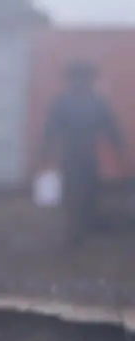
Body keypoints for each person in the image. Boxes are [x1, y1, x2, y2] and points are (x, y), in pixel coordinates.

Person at [40, 61, 125, 245]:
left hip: (88, 153)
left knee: (90, 190)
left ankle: (87, 225)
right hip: (70, 153)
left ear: (90, 80)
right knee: (72, 192)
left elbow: (111, 126)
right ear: (71, 80)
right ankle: (74, 231)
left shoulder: (97, 102)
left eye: (85, 78)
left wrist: (119, 147)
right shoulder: (62, 102)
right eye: (77, 78)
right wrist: (45, 150)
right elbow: (50, 128)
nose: (81, 82)